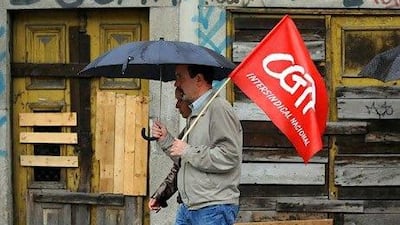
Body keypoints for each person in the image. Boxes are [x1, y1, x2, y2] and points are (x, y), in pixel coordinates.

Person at [151, 64, 243, 225]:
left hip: (212, 208)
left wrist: (187, 150)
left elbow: (229, 156)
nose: (176, 84)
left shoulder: (218, 109)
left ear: (198, 79)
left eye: (180, 77)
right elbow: (185, 160)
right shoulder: (196, 113)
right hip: (189, 207)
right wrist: (165, 139)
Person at [148, 87, 190, 212]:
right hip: (185, 205)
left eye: (180, 100)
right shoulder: (189, 128)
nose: (177, 105)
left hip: (204, 208)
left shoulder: (206, 124)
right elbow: (180, 167)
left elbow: (189, 162)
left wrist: (166, 141)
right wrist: (160, 196)